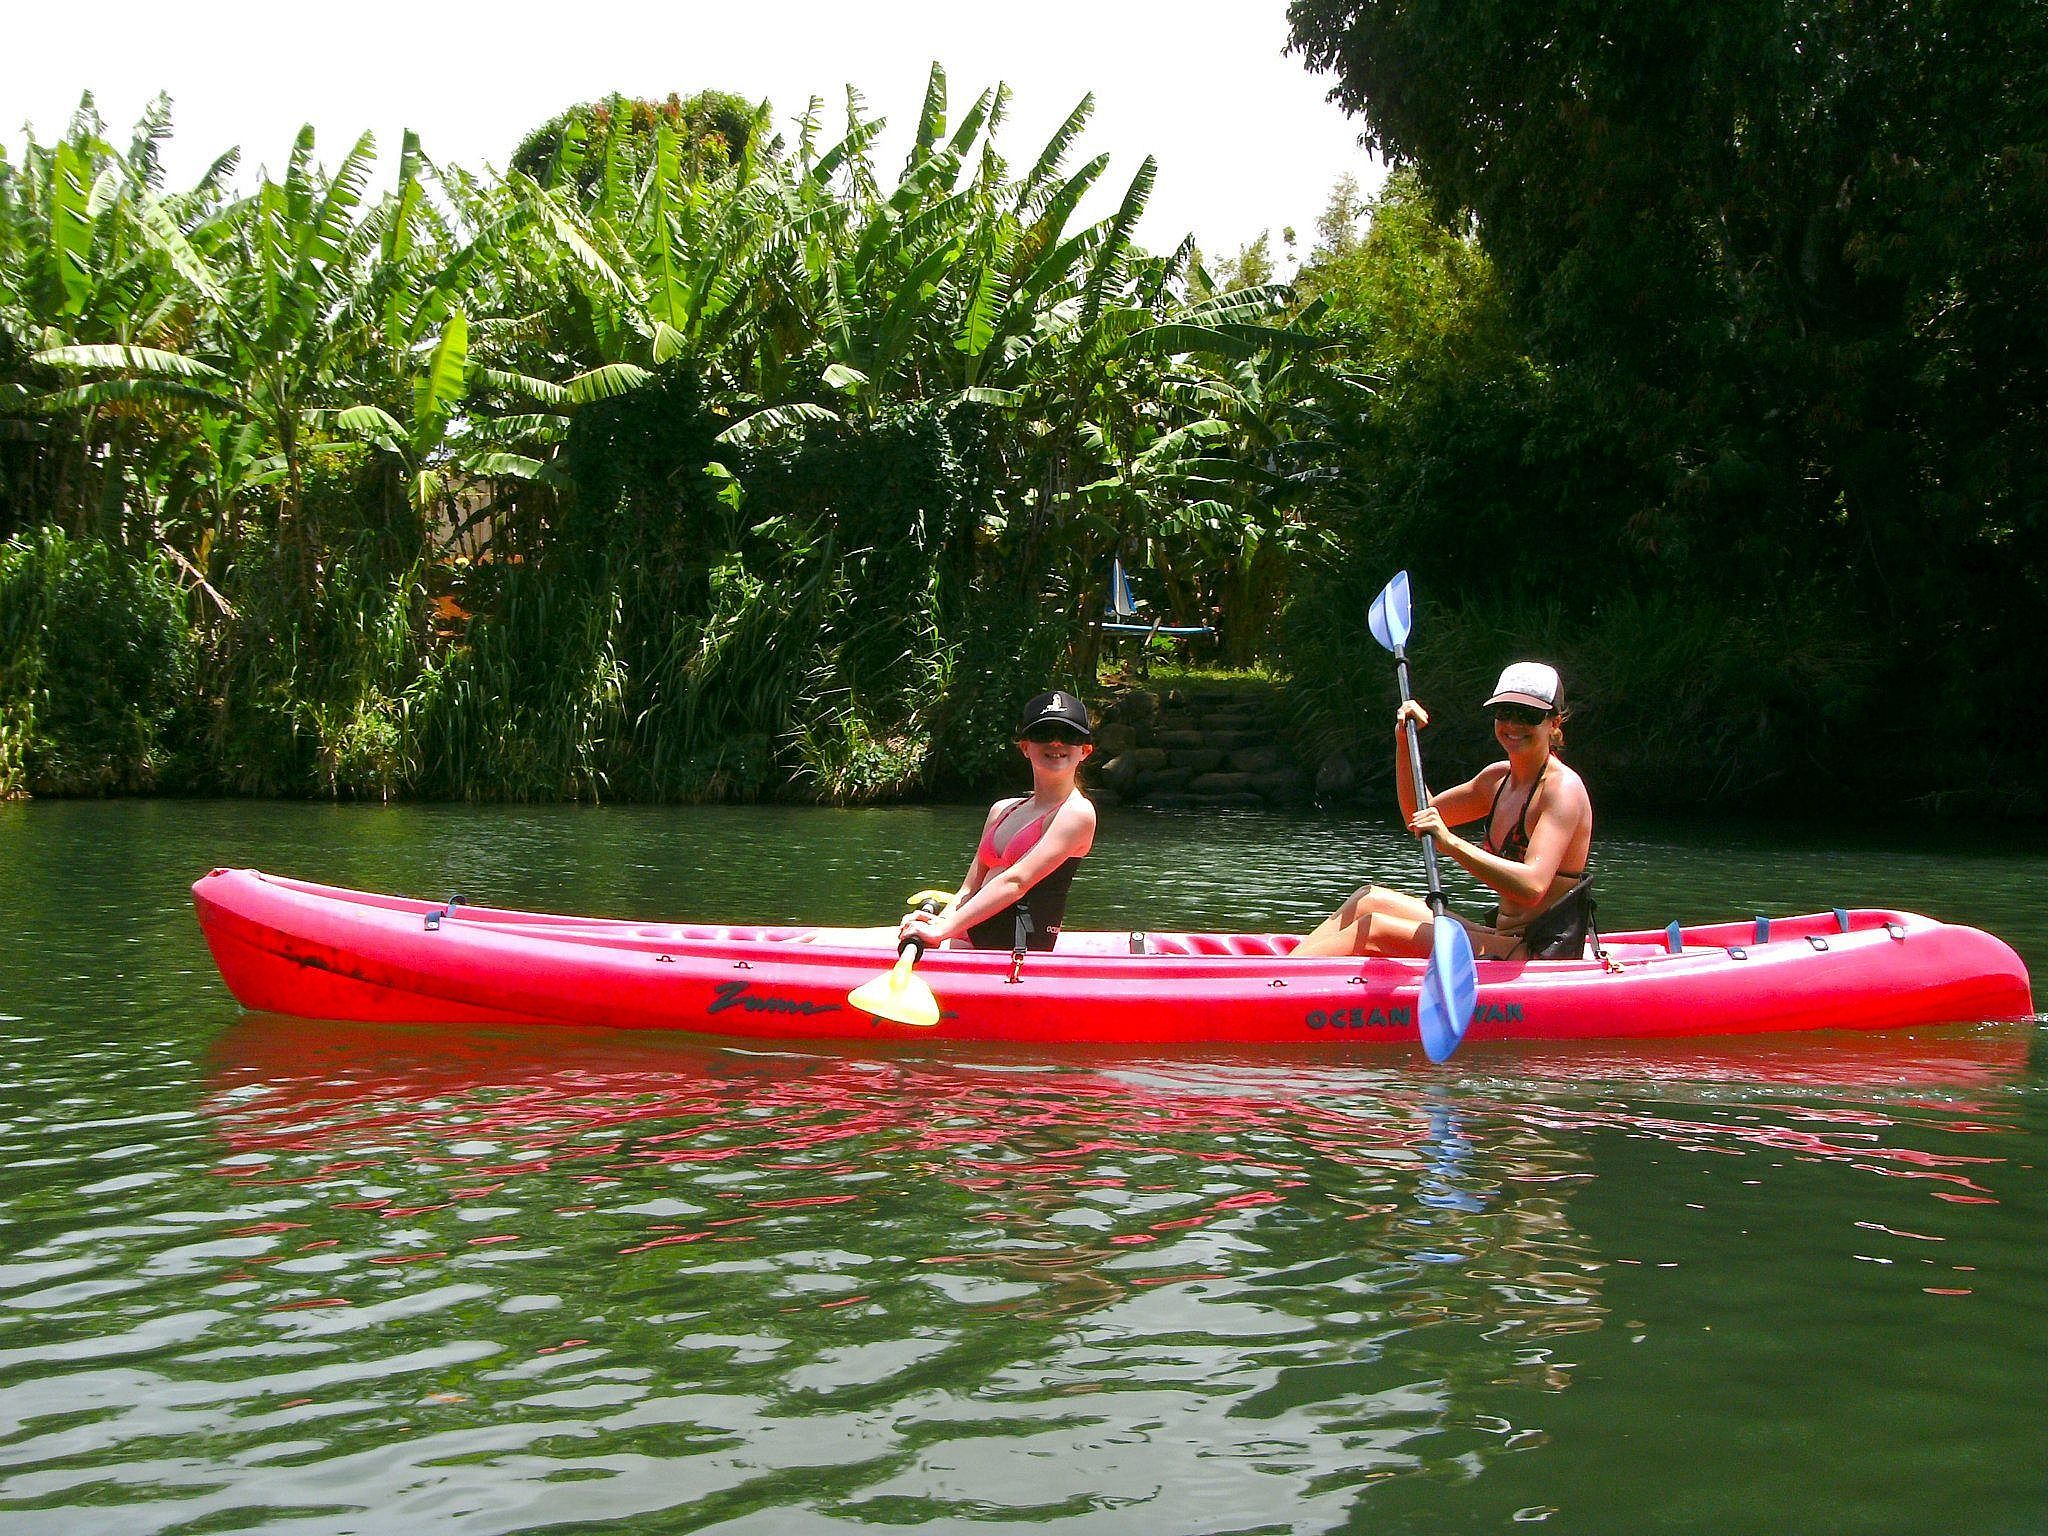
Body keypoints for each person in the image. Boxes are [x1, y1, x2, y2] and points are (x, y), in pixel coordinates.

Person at [1294, 661, 1594, 960]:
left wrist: (1449, 842)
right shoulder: (1496, 780)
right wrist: (1403, 740)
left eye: (1528, 715)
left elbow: (1531, 887)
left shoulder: (1561, 789)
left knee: (1376, 929)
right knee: (1368, 900)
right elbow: (1418, 814)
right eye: (1505, 713)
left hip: (1534, 951)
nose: (1513, 725)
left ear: (1554, 722)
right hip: (1502, 937)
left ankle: (1279, 985)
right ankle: (1276, 974)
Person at [899, 690, 1099, 953]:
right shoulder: (1002, 809)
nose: (1056, 743)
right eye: (1043, 734)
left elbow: (1016, 882)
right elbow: (969, 888)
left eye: (1068, 736)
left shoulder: (1077, 813)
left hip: (1015, 949)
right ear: (1025, 747)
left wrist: (940, 931)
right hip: (970, 934)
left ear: (1084, 750)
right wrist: (938, 923)